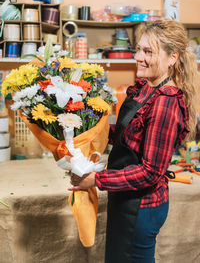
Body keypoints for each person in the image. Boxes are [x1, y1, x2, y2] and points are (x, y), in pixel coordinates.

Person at [69, 18, 200, 263]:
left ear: (172, 57)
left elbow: (150, 172)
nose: (138, 57)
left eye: (148, 51)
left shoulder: (165, 103)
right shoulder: (145, 88)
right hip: (126, 196)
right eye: (138, 49)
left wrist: (96, 179)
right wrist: (83, 129)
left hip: (142, 206)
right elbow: (127, 136)